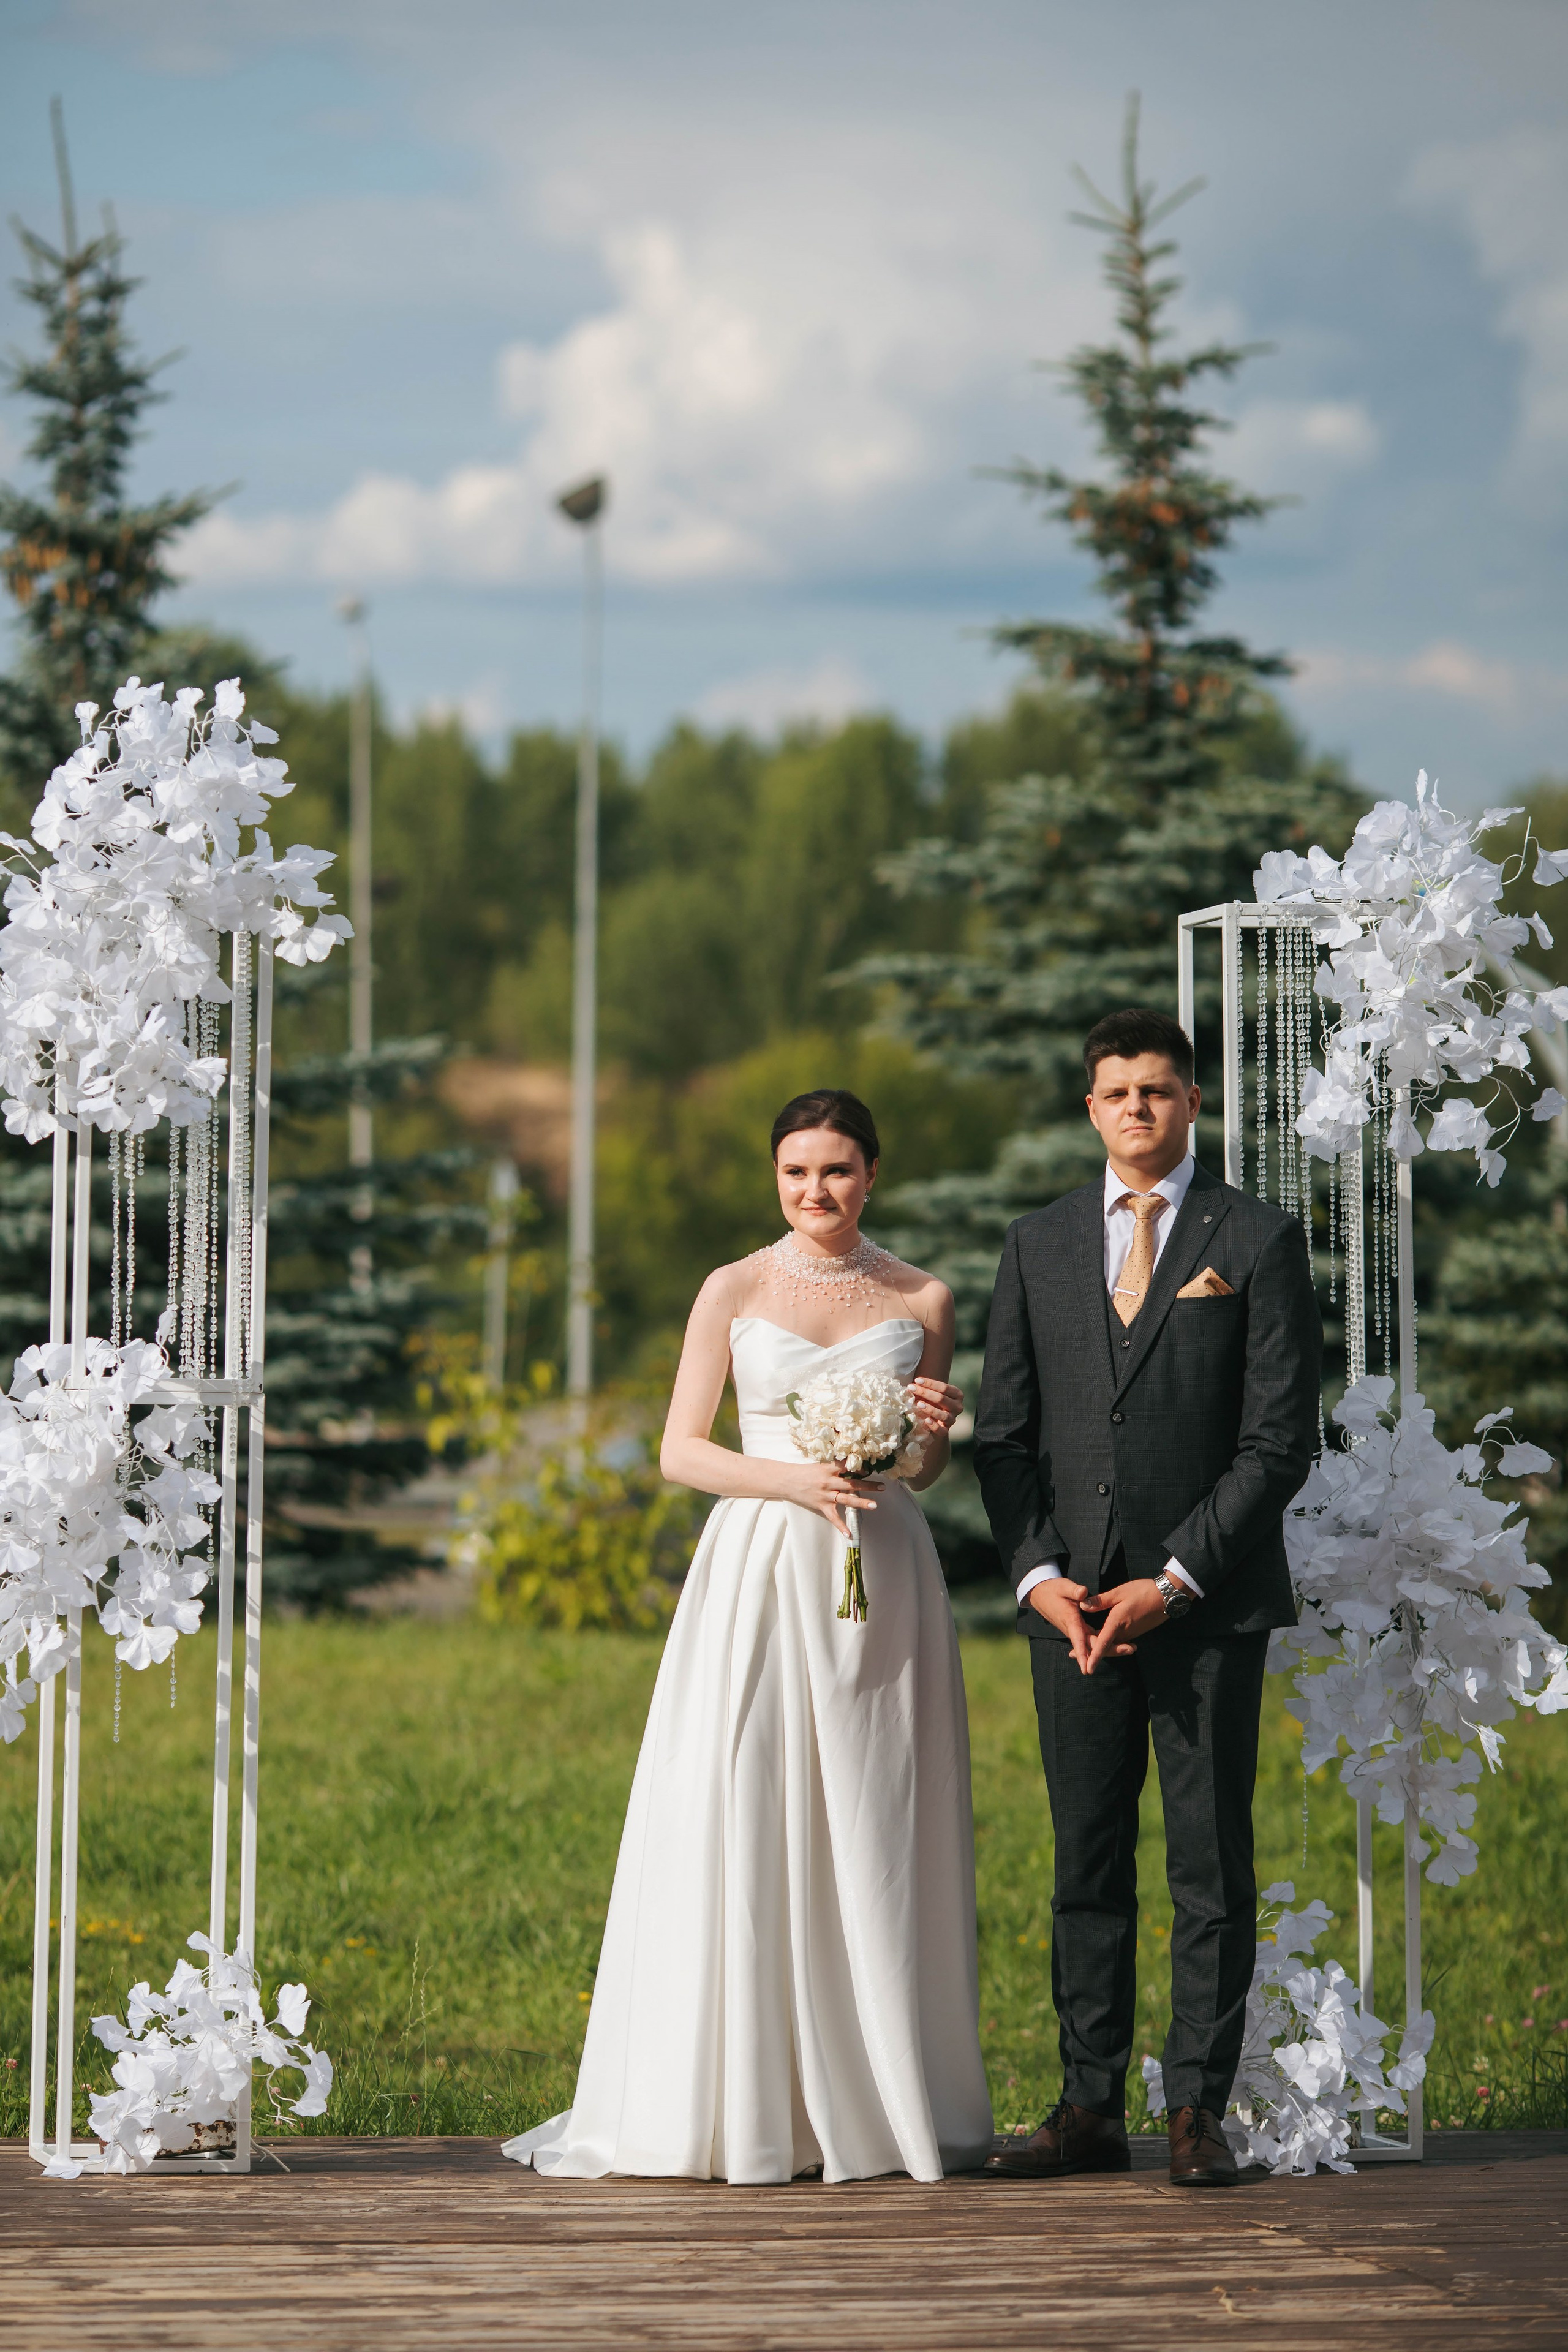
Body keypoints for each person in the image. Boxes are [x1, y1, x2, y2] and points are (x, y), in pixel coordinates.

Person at [504, 1088, 994, 2184]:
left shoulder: (923, 1295)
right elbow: (680, 1449)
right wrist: (791, 1482)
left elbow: (924, 1471)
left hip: (884, 1572)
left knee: (875, 1810)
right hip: (762, 1566)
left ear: (873, 1173)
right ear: (776, 1177)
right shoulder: (732, 1287)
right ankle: (744, 2102)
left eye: (838, 1169)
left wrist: (930, 1438)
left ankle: (876, 2100)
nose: (817, 1190)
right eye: (796, 1172)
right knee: (749, 1793)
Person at [975, 1008, 1321, 2188]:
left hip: (1203, 1607)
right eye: (1118, 1091)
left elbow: (1277, 1445)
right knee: (1086, 1859)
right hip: (1072, 1611)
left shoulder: (1258, 1240)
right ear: (1091, 1109)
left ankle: (1196, 2113)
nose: (1138, 1106)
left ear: (1190, 1103)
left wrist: (1173, 1581)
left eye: (1159, 1089)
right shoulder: (1036, 1245)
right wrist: (1041, 1578)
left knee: (1209, 1863)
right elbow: (1005, 1438)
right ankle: (1087, 2107)